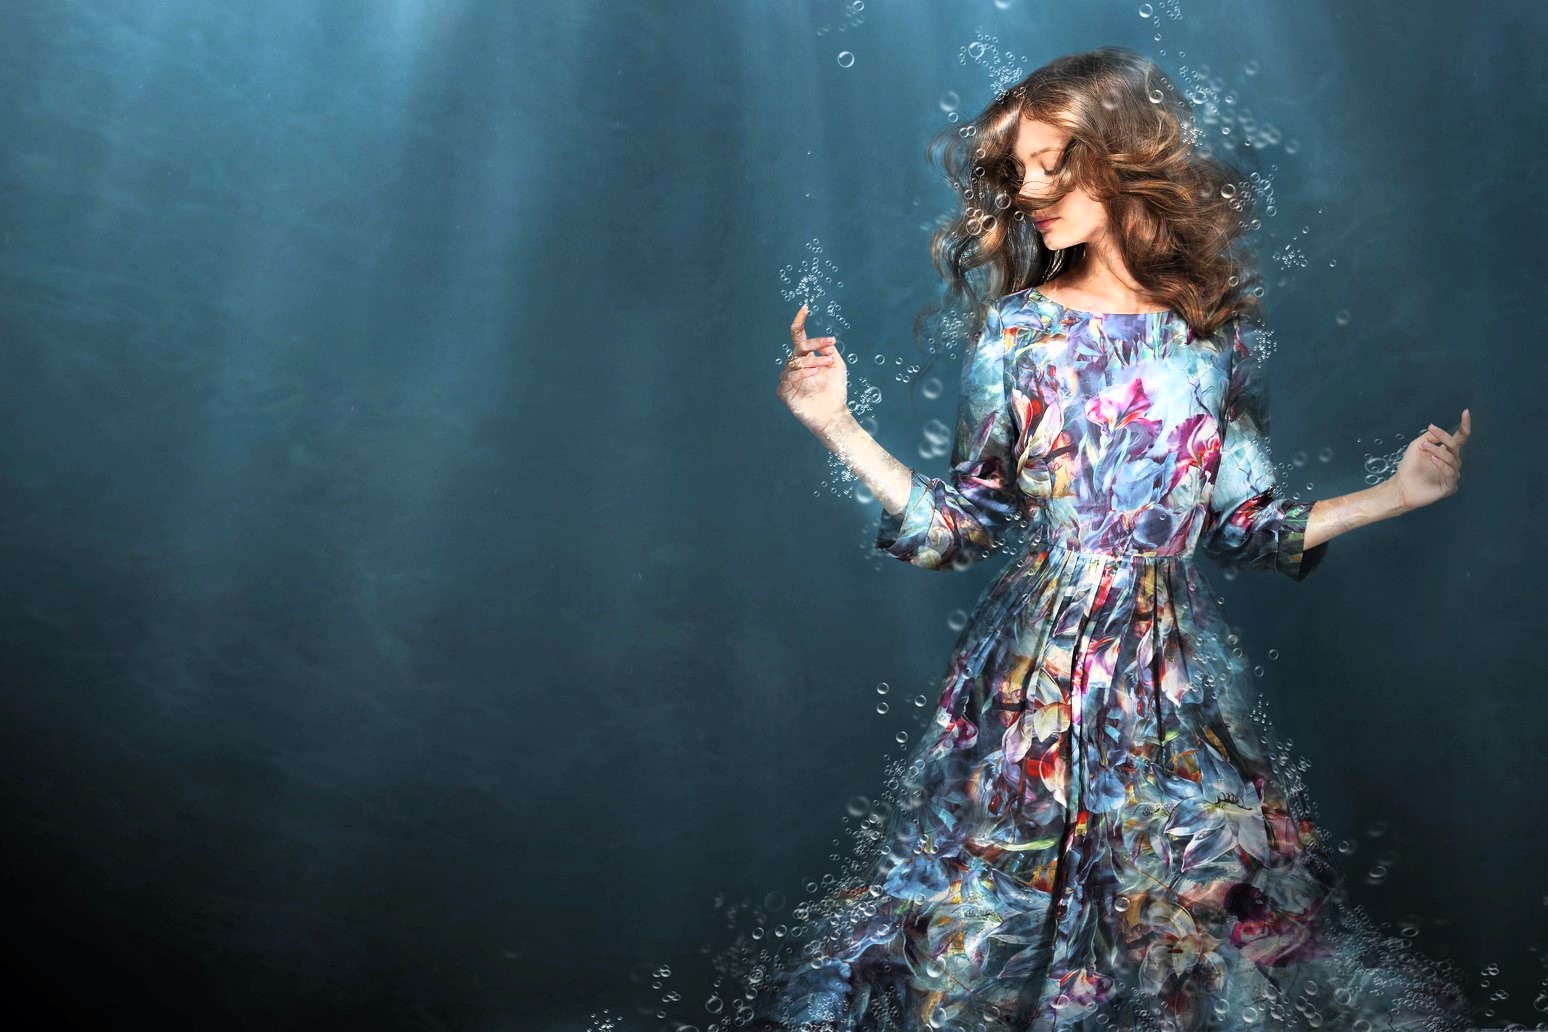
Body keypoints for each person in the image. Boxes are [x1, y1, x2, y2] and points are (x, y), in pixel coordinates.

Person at [759, 46, 1476, 1032]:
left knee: (1196, 924)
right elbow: (961, 524)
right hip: (1031, 690)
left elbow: (1248, 527)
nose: (1031, 191)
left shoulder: (1216, 335)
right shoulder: (1017, 333)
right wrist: (837, 425)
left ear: (1126, 155)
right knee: (985, 931)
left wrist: (1399, 494)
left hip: (1175, 682)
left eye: (1056, 163)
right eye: (1017, 171)